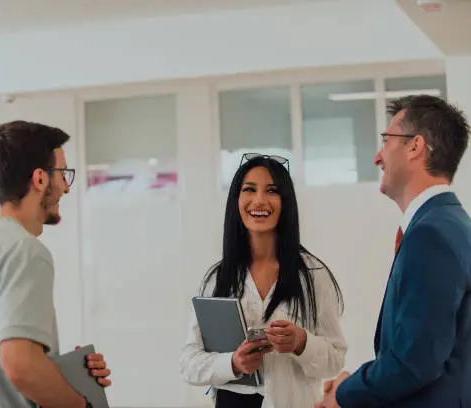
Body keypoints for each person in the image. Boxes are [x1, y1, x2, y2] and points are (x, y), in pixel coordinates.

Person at [316, 95, 471, 408]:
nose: (377, 156)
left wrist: (344, 394)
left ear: (415, 147)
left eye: (386, 140)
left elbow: (416, 362)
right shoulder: (452, 224)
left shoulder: (431, 235)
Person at [0, 120, 111, 408]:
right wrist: (79, 404)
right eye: (62, 174)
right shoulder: (26, 251)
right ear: (40, 179)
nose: (65, 187)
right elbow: (20, 364)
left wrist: (65, 373)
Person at [180, 153, 347, 408]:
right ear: (237, 200)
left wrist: (301, 342)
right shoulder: (218, 279)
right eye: (249, 189)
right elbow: (189, 363)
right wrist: (233, 363)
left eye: (272, 191)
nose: (259, 200)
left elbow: (335, 359)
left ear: (286, 202)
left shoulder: (312, 275)